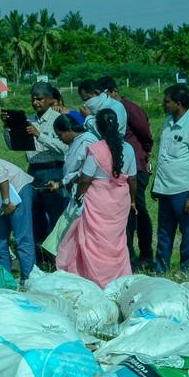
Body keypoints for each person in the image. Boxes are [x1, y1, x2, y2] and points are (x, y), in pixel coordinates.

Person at [57, 109, 136, 288]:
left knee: (94, 242)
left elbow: (85, 178)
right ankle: (116, 278)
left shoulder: (96, 149)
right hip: (120, 201)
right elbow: (132, 179)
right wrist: (132, 200)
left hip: (98, 201)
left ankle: (94, 279)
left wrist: (78, 195)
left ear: (98, 128)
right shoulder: (129, 148)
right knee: (116, 241)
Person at [2, 82, 68, 259]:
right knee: (34, 213)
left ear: (50, 100)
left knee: (55, 214)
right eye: (33, 99)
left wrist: (40, 135)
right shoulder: (29, 120)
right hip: (32, 172)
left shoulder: (57, 119)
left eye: (40, 99)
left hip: (53, 170)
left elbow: (64, 147)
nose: (36, 102)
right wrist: (8, 128)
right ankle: (38, 256)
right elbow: (13, 146)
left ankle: (57, 256)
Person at [99, 75, 156, 270]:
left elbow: (146, 134)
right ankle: (126, 254)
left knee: (137, 210)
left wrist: (144, 153)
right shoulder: (106, 111)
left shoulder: (128, 108)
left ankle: (146, 254)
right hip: (118, 168)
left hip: (135, 167)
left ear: (114, 92)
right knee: (123, 214)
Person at [152, 84, 189, 275]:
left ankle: (187, 270)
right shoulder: (168, 122)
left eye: (167, 102)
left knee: (188, 233)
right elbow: (164, 157)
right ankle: (160, 270)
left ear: (179, 103)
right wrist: (155, 185)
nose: (163, 105)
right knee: (164, 233)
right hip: (164, 189)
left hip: (182, 190)